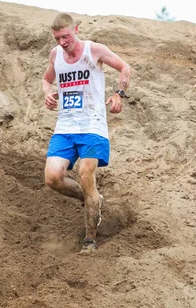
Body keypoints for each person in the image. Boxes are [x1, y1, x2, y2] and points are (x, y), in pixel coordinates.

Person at [42, 13, 131, 253]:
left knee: (85, 173)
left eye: (66, 36)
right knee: (52, 178)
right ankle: (92, 200)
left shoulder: (94, 51)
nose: (62, 42)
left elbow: (125, 67)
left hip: (92, 126)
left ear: (76, 29)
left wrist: (118, 94)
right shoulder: (55, 54)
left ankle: (90, 240)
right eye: (57, 38)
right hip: (65, 127)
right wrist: (47, 93)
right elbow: (46, 79)